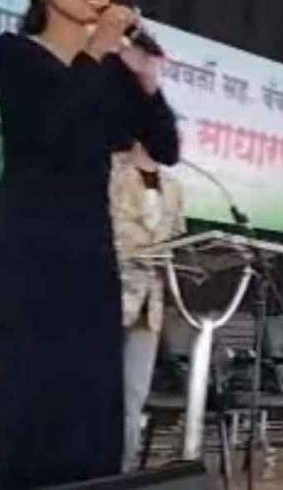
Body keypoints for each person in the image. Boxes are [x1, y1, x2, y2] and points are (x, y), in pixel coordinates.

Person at [0, 0, 179, 489]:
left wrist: (145, 81)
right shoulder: (14, 54)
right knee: (27, 398)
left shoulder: (108, 75)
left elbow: (163, 147)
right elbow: (50, 130)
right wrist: (101, 48)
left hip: (90, 257)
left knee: (91, 403)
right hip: (29, 253)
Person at [110, 141, 185, 471]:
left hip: (148, 307)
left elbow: (178, 235)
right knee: (93, 391)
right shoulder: (111, 169)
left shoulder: (174, 186)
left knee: (133, 398)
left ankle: (121, 471)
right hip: (105, 295)